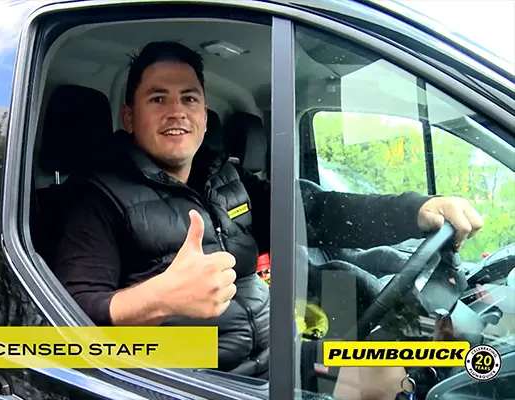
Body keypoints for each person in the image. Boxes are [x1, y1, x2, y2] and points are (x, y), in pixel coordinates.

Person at [51, 41, 484, 399]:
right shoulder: (96, 198)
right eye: (157, 98)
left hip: (278, 356)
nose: (176, 111)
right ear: (129, 117)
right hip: (197, 381)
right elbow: (65, 322)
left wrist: (415, 210)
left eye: (189, 98)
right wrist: (160, 298)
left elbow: (316, 212)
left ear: (203, 115)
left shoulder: (224, 177)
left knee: (399, 371)